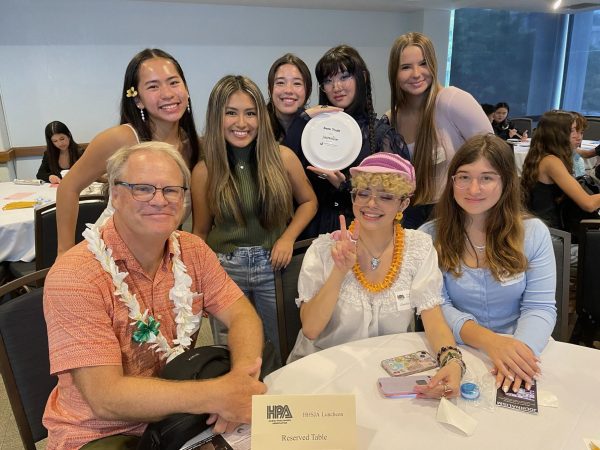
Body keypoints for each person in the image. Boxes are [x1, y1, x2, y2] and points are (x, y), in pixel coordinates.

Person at [43, 142, 266, 450]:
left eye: (171, 190)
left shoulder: (193, 250)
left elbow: (241, 315)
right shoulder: (76, 275)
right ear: (116, 195)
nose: (159, 200)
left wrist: (239, 382)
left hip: (181, 417)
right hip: (102, 432)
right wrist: (219, 395)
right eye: (143, 189)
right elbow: (105, 398)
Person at [288, 153, 464, 399]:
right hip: (325, 376)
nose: (371, 204)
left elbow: (433, 317)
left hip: (387, 377)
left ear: (403, 204)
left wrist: (452, 362)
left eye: (385, 196)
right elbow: (311, 330)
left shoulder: (419, 248)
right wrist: (340, 270)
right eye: (364, 193)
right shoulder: (323, 250)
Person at [420, 134, 557, 393]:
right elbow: (438, 306)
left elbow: (539, 307)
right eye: (463, 177)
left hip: (522, 347)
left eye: (487, 178)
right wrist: (491, 343)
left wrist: (519, 354)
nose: (473, 189)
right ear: (452, 182)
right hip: (455, 349)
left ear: (506, 182)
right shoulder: (429, 236)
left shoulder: (533, 233)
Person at [192, 75, 317, 353]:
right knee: (232, 349)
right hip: (224, 268)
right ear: (216, 117)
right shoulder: (204, 171)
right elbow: (200, 231)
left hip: (274, 265)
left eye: (250, 113)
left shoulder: (282, 157)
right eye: (231, 113)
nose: (242, 123)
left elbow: (309, 201)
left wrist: (287, 238)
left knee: (280, 343)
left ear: (261, 116)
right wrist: (197, 280)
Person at [56, 48, 200, 257]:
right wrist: (64, 252)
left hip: (157, 259)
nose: (168, 93)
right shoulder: (122, 138)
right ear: (137, 99)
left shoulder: (193, 145)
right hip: (110, 255)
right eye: (153, 86)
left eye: (174, 82)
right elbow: (68, 186)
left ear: (186, 89)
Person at [285, 45, 407, 237]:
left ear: (363, 78)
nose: (336, 87)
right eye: (328, 80)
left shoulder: (382, 135)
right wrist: (303, 119)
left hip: (362, 234)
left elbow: (394, 196)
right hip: (312, 234)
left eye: (344, 77)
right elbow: (282, 170)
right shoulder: (312, 130)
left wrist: (346, 186)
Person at [384, 32, 493, 229]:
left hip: (455, 213)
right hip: (409, 216)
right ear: (394, 73)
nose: (416, 74)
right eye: (406, 67)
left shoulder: (452, 100)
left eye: (423, 64)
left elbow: (493, 155)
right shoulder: (391, 119)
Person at [521, 110, 600, 232]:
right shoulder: (551, 161)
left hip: (546, 228)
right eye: (572, 130)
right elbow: (588, 204)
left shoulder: (541, 155)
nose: (577, 136)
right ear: (557, 133)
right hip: (553, 234)